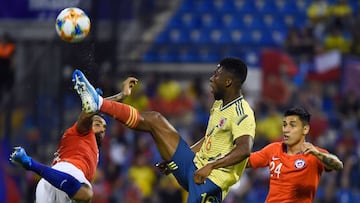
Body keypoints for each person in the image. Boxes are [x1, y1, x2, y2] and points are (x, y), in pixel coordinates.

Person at [73, 57, 256, 202]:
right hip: (193, 166)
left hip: (209, 183)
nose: (211, 78)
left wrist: (210, 166)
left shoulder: (242, 112)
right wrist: (176, 158)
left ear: (228, 82)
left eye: (216, 75)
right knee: (155, 119)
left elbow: (244, 150)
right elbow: (209, 139)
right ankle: (99, 103)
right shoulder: (218, 105)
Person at [9, 75, 137, 203]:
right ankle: (30, 164)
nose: (103, 128)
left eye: (104, 126)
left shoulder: (93, 147)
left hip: (53, 182)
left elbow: (95, 107)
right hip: (69, 172)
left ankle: (32, 164)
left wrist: (122, 95)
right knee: (87, 194)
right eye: (98, 123)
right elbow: (89, 112)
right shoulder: (81, 132)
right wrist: (118, 97)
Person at [248, 106, 343, 203]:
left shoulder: (314, 154)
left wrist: (317, 153)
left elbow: (338, 165)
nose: (286, 130)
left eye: (292, 125)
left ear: (305, 129)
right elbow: (247, 161)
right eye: (284, 125)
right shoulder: (274, 149)